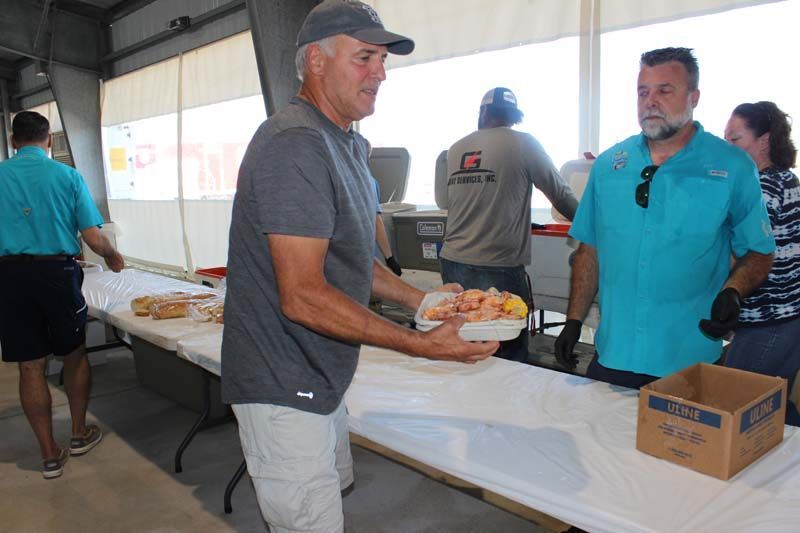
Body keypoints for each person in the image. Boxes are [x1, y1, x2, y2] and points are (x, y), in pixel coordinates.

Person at [221, 2, 497, 531]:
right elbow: (301, 294)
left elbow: (356, 263)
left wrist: (428, 302)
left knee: (330, 497)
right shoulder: (294, 145)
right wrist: (421, 346)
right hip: (283, 379)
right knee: (309, 520)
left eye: (383, 59)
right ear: (318, 62)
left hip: (323, 371)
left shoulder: (347, 142)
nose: (381, 72)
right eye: (365, 56)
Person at [554, 47, 775, 388]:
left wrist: (733, 291)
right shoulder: (610, 165)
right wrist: (572, 320)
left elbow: (759, 251)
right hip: (613, 357)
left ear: (694, 97)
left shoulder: (732, 167)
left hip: (688, 364)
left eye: (665, 90)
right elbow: (589, 251)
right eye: (643, 92)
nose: (650, 101)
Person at [0, 111, 124, 479]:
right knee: (73, 354)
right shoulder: (67, 176)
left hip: (9, 277)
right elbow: (92, 235)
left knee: (30, 366)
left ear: (12, 141)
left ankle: (49, 454)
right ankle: (78, 432)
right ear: (49, 139)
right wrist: (113, 256)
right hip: (57, 273)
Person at [436, 87, 579, 362]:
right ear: (514, 117)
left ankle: (467, 400)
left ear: (483, 112)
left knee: (463, 343)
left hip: (452, 261)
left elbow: (444, 201)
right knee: (508, 348)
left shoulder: (455, 148)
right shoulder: (523, 143)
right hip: (497, 266)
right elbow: (560, 195)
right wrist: (593, 225)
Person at [723, 101, 800, 425]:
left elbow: (745, 252)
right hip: (788, 317)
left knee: (731, 403)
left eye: (735, 139)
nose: (727, 147)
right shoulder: (786, 179)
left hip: (769, 319)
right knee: (772, 406)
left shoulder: (763, 186)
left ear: (764, 141)